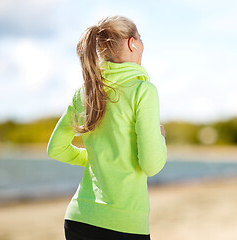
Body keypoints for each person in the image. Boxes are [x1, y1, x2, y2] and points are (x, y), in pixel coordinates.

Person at [46, 15, 167, 240]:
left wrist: (97, 159)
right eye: (141, 39)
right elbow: (151, 166)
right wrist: (160, 139)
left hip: (79, 219)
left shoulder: (84, 92)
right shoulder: (143, 90)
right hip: (124, 224)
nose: (142, 44)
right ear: (132, 43)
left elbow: (56, 149)